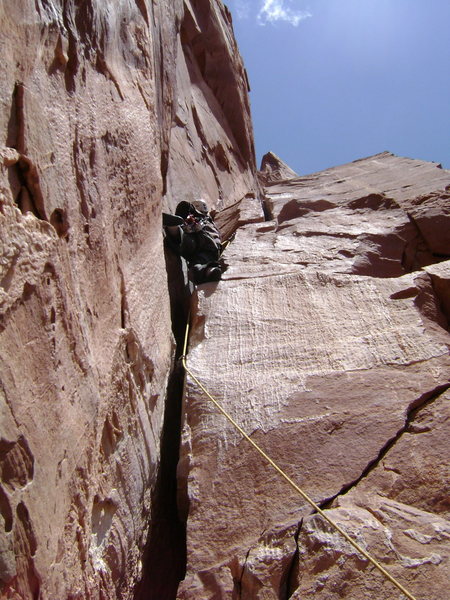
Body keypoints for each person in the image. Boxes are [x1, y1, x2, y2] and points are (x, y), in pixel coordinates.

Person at [163, 200, 222, 283]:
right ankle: (173, 226)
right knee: (185, 242)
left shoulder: (205, 219)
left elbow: (186, 207)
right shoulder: (207, 221)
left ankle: (173, 228)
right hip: (204, 244)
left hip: (205, 245)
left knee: (184, 243)